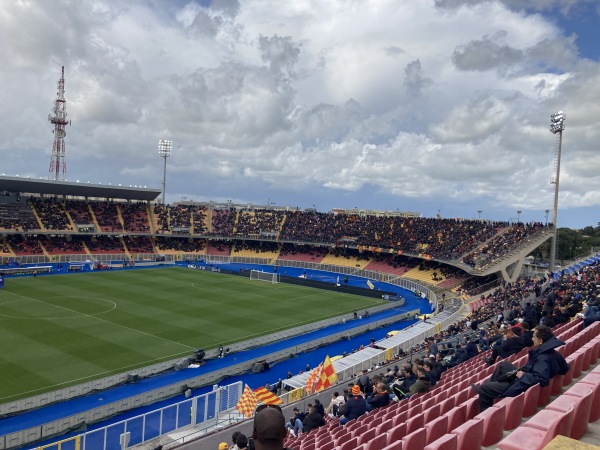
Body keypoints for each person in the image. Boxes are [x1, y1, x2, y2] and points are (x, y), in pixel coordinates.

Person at [472, 325, 570, 411]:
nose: (532, 339)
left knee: (485, 388)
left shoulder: (543, 358)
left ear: (540, 341)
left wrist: (523, 375)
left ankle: (486, 413)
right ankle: (493, 385)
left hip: (521, 384)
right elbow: (565, 368)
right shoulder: (554, 353)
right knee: (504, 365)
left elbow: (541, 379)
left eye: (534, 337)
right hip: (524, 377)